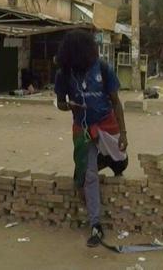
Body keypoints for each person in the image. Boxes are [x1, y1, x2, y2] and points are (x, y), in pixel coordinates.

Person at [54, 30, 129, 248]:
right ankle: (96, 225)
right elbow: (60, 103)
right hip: (83, 130)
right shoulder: (64, 74)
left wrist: (123, 133)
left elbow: (116, 102)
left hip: (107, 124)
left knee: (121, 163)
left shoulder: (102, 68)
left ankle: (109, 160)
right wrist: (68, 106)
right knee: (88, 176)